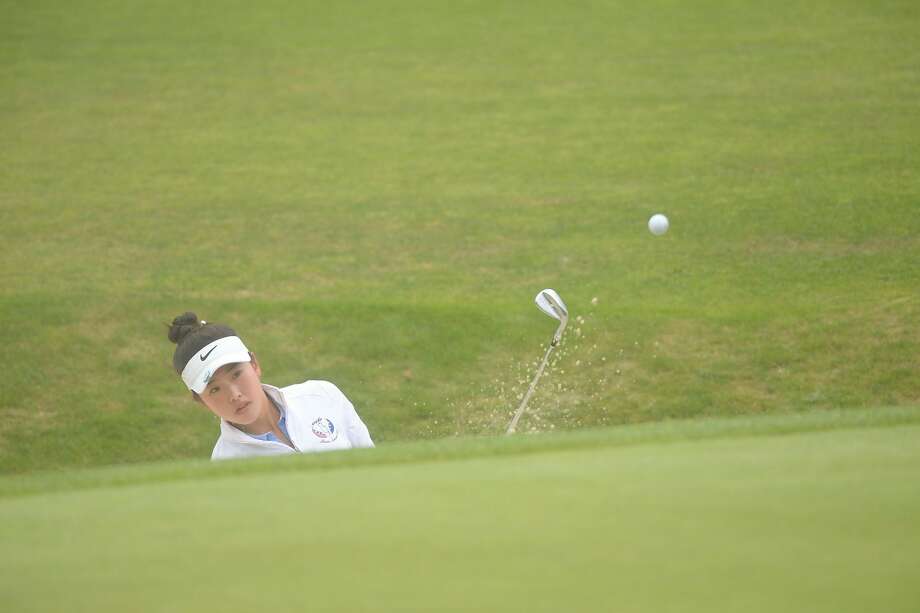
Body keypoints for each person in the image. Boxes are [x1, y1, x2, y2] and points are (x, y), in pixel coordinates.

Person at [167, 312, 374, 460]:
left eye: (237, 374)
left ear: (254, 364)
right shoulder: (225, 464)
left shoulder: (322, 396)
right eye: (214, 389)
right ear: (201, 401)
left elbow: (374, 469)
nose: (234, 395)